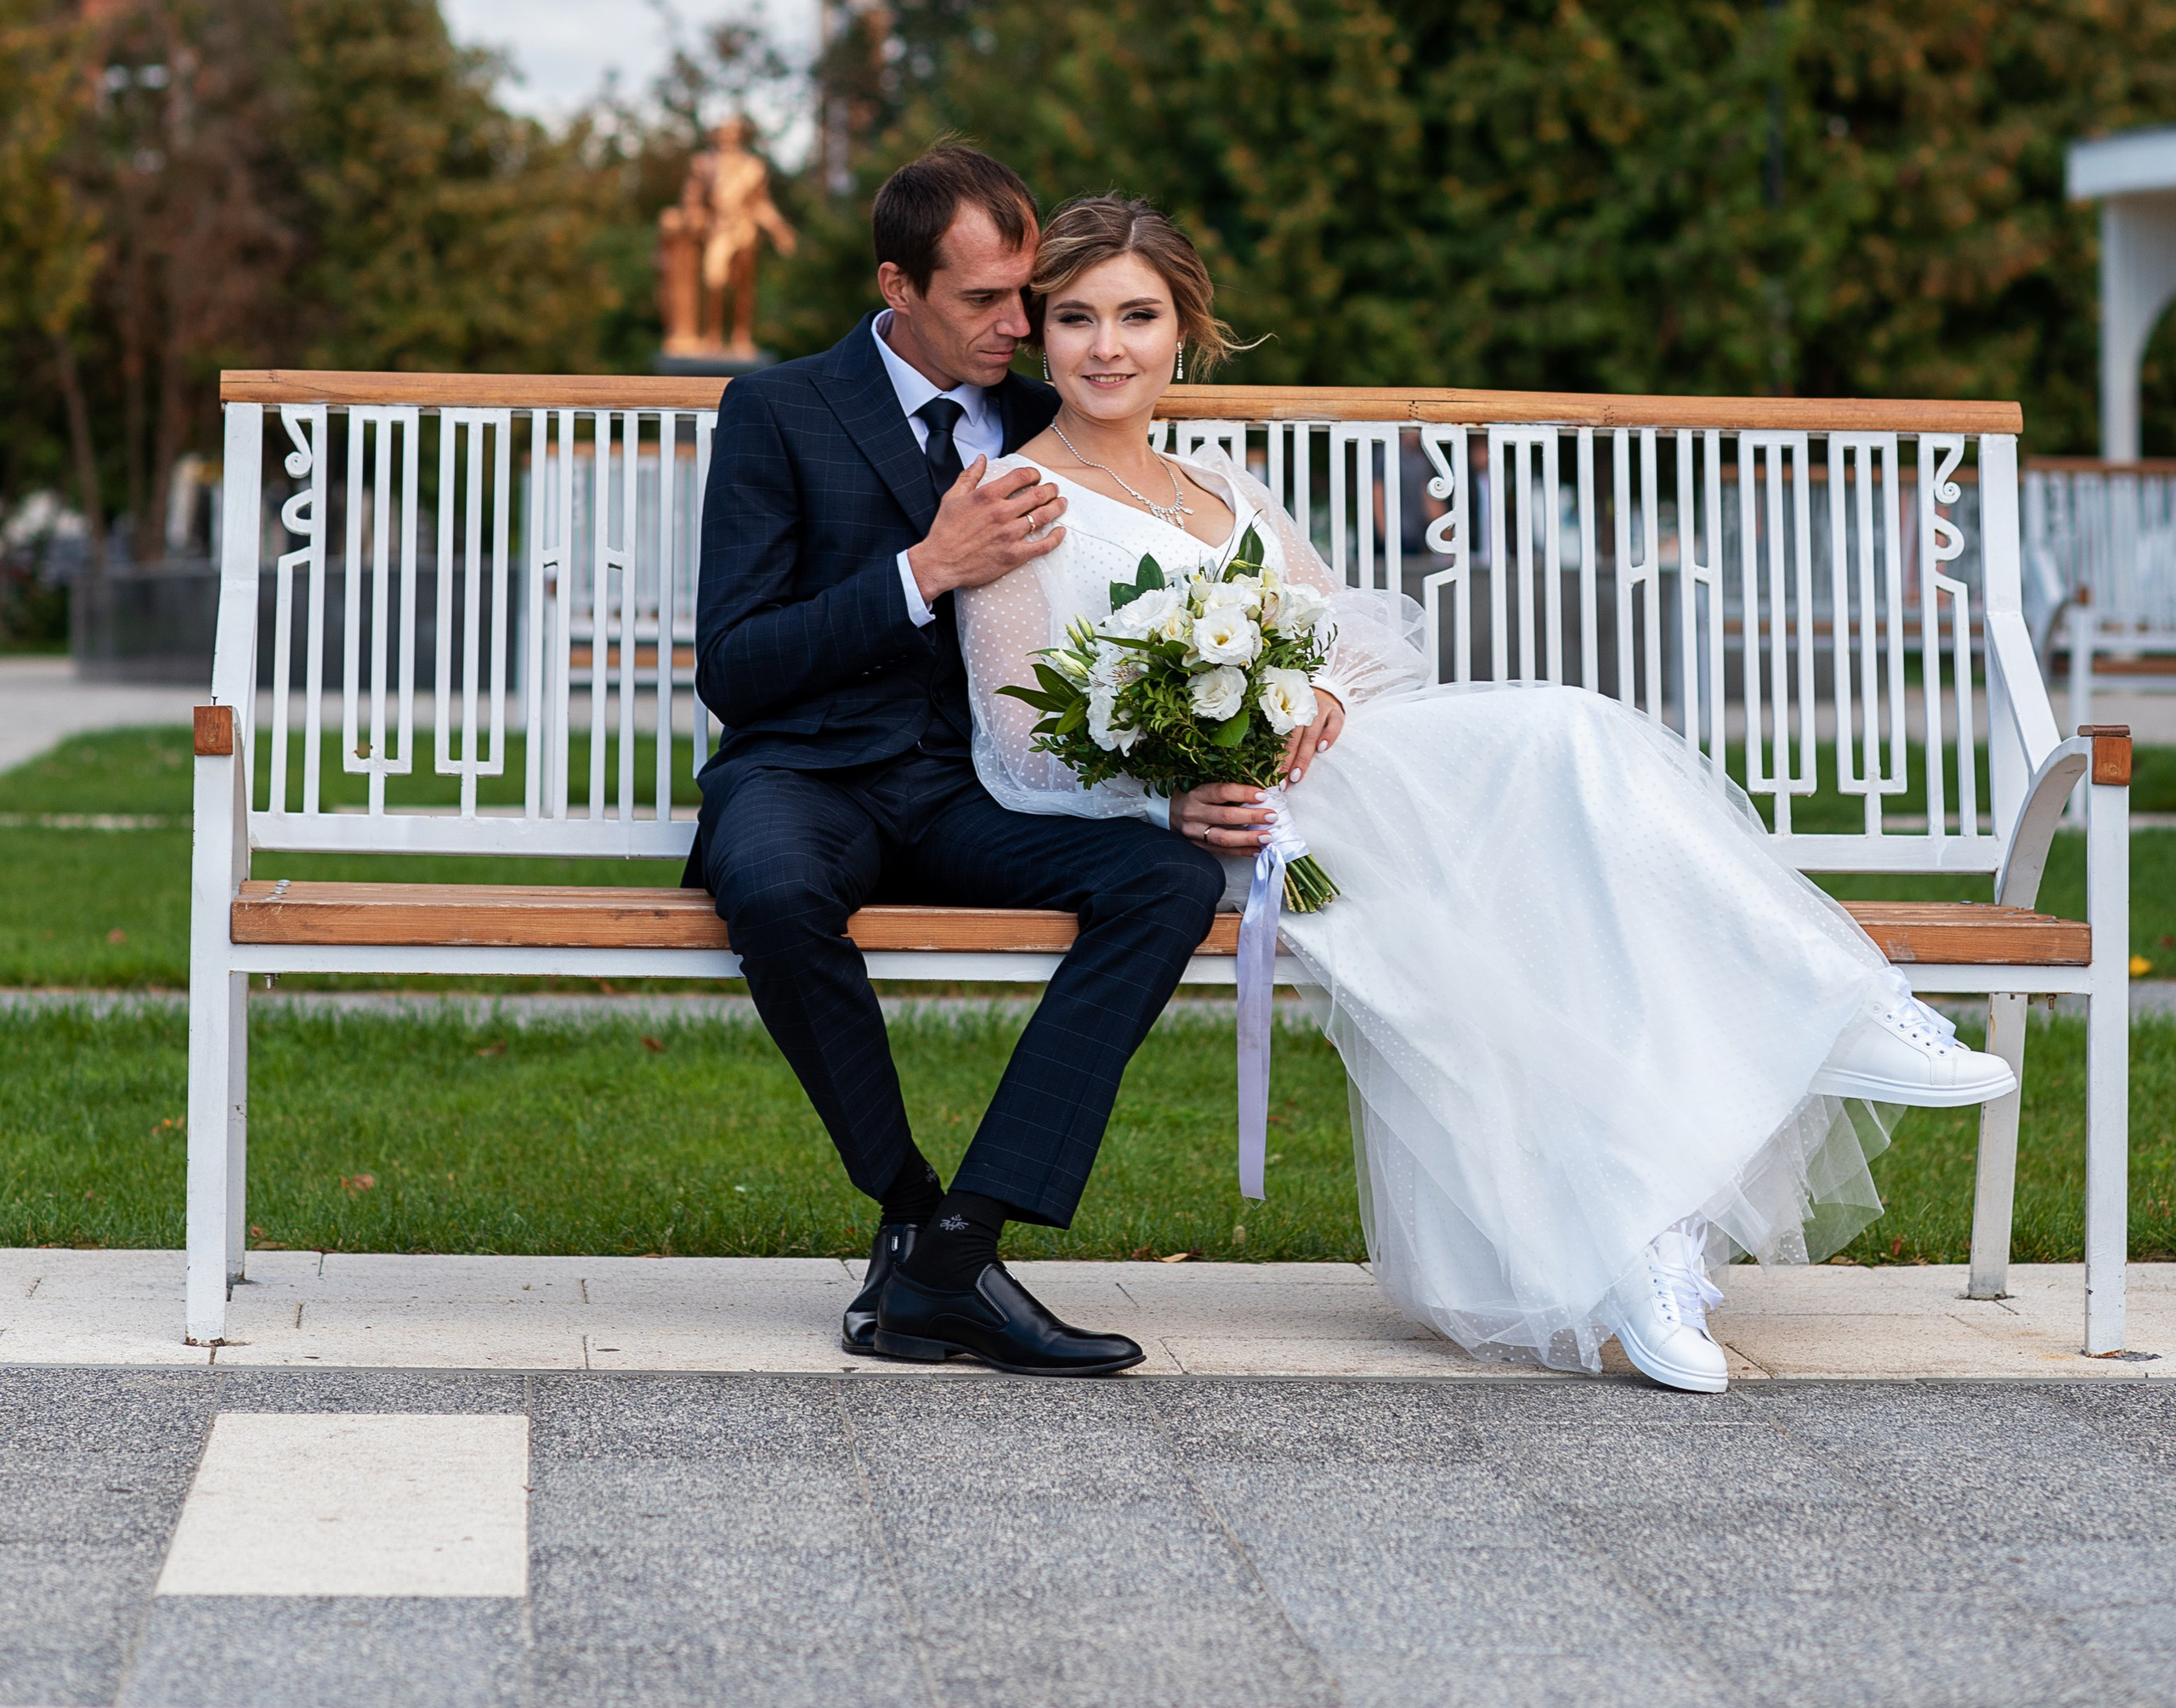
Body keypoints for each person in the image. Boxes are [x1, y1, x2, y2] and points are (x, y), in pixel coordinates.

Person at [961, 191, 2016, 1394]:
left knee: (1558, 870)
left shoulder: (1226, 485)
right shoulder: (1016, 500)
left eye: (1138, 315)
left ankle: (1659, 1226)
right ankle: (1813, 1025)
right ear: (1040, 335)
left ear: (1185, 329)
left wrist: (1325, 702)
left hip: (1353, 767)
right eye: (1080, 317)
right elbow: (1013, 741)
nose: (1109, 347)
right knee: (1559, 750)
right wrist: (1171, 801)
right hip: (1242, 831)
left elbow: (1350, 639)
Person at [689, 146, 1226, 1375]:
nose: (1018, 323)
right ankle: (912, 1208)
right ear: (898, 284)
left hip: (970, 788)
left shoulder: (1048, 418)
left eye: (1025, 292)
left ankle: (954, 1252)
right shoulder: (778, 409)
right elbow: (735, 663)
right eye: (984, 299)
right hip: (806, 776)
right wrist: (921, 573)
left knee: (1167, 882)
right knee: (770, 890)